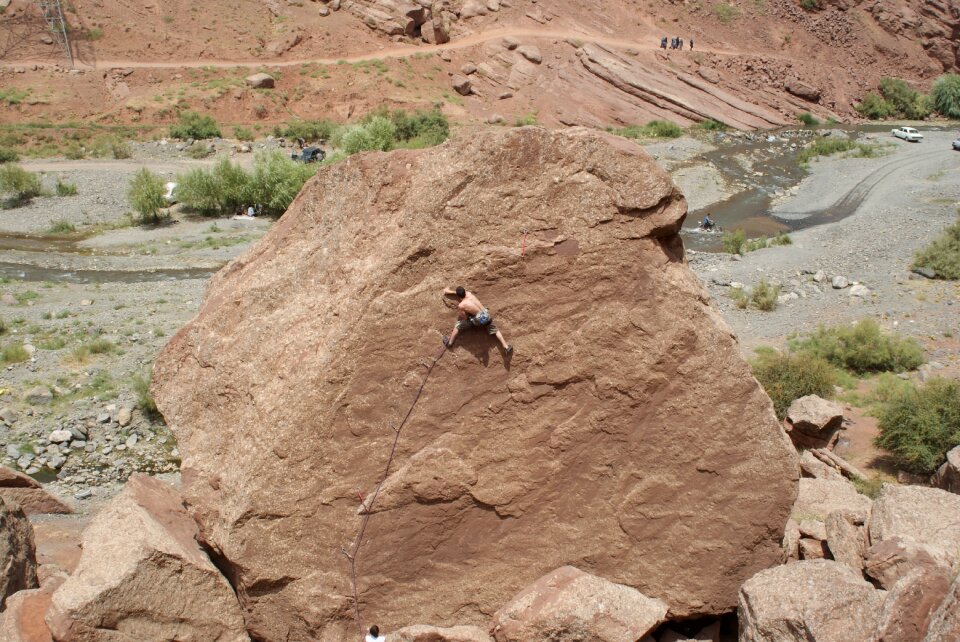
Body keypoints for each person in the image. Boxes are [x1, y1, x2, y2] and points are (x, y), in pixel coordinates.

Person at [443, 286, 512, 353]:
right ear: (465, 291)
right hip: (486, 315)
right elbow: (458, 293)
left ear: (458, 295)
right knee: (495, 329)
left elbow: (465, 318)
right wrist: (448, 291)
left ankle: (450, 343)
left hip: (479, 320)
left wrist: (468, 314)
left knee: (458, 325)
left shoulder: (461, 305)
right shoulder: (469, 294)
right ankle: (506, 346)